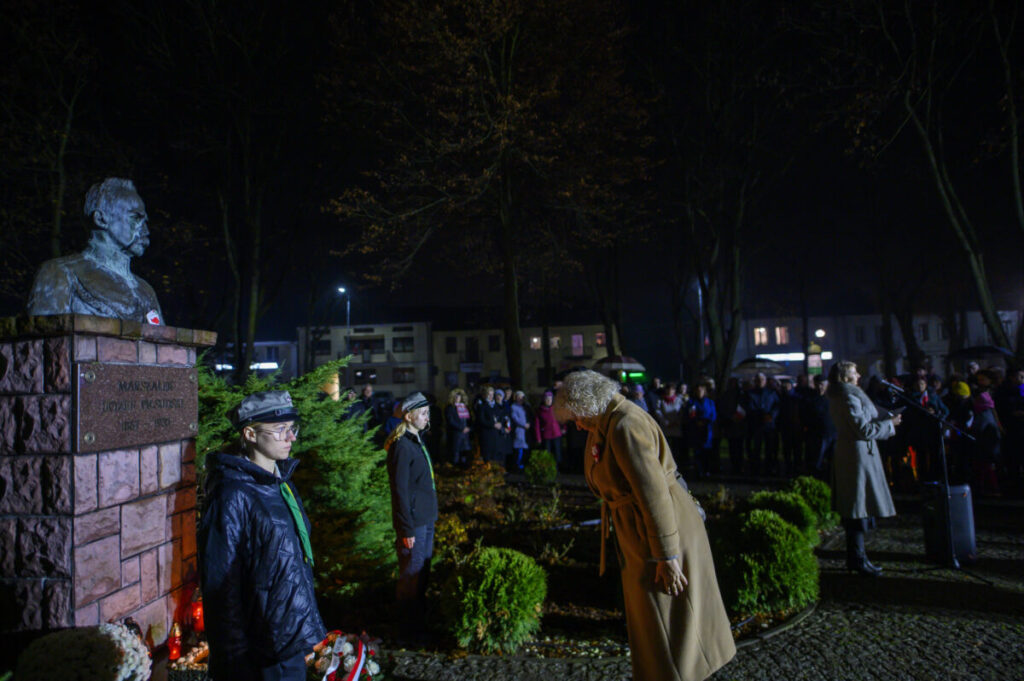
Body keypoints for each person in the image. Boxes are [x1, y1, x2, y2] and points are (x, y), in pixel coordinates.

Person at [553, 371, 734, 681]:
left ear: (587, 404)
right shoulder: (607, 423)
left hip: (663, 534)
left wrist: (667, 555)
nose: (577, 426)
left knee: (672, 625)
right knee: (660, 625)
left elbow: (654, 497)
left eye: (576, 418)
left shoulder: (625, 425)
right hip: (643, 534)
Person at [199, 391, 325, 681]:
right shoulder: (232, 495)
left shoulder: (280, 484)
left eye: (292, 428)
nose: (290, 437)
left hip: (286, 642)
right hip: (260, 654)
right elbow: (221, 586)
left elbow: (291, 563)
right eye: (280, 430)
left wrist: (301, 631)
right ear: (250, 434)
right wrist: (233, 661)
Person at [28, 177, 164, 323]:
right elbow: (44, 337)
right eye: (136, 218)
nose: (146, 230)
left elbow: (164, 343)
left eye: (145, 222)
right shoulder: (59, 273)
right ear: (101, 219)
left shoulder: (146, 291)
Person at [827, 361, 901, 577]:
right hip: (856, 456)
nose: (859, 374)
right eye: (854, 372)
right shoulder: (848, 396)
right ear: (845, 377)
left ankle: (858, 558)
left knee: (857, 508)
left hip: (856, 453)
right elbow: (863, 429)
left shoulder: (844, 394)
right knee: (856, 509)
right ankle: (857, 559)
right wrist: (890, 425)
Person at [385, 392, 439, 642]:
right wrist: (405, 529)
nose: (428, 417)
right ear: (409, 416)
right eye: (424, 413)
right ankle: (406, 630)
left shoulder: (417, 440)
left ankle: (420, 623)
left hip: (426, 518)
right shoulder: (402, 446)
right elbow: (400, 491)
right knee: (411, 575)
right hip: (413, 524)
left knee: (423, 571)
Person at [742, 372, 779, 477]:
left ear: (765, 381)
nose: (760, 382)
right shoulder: (750, 394)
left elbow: (777, 406)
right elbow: (747, 407)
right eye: (758, 380)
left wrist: (771, 415)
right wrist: (759, 415)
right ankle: (755, 470)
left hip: (768, 425)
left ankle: (769, 469)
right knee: (756, 449)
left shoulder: (772, 393)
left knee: (769, 448)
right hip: (755, 425)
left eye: (762, 380)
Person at [686, 383, 717, 478]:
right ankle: (699, 470)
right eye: (698, 391)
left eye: (701, 390)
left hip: (707, 430)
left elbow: (713, 415)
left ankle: (707, 470)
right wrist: (696, 421)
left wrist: (706, 422)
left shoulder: (710, 402)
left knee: (707, 451)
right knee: (697, 451)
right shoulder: (692, 402)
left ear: (704, 392)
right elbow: (690, 415)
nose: (699, 392)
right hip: (696, 429)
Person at [655, 383, 685, 471]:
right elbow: (658, 412)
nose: (669, 391)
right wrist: (666, 422)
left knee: (676, 448)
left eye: (672, 389)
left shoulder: (679, 400)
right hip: (666, 428)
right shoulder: (660, 400)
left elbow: (682, 412)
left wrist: (677, 421)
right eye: (668, 389)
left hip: (676, 428)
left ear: (674, 391)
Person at [533, 390, 564, 467]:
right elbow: (537, 426)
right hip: (546, 435)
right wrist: (538, 438)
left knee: (557, 453)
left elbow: (561, 419)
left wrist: (564, 428)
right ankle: (548, 468)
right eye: (547, 399)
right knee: (547, 453)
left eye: (550, 399)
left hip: (556, 434)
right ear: (544, 400)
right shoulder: (540, 411)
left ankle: (556, 468)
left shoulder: (555, 408)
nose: (548, 401)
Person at [475, 386, 504, 463]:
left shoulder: (496, 406)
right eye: (489, 394)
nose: (491, 396)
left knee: (496, 456)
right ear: (485, 395)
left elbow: (501, 417)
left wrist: (500, 424)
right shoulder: (482, 406)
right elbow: (481, 420)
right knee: (487, 456)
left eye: (492, 394)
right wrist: (492, 424)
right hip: (487, 435)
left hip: (496, 435)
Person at [444, 389, 472, 466]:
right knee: (455, 453)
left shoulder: (465, 407)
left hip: (465, 435)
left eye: (459, 397)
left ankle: (464, 468)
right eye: (456, 397)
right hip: (456, 434)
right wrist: (461, 428)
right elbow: (450, 421)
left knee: (465, 453)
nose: (457, 399)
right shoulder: (450, 408)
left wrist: (469, 428)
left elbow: (469, 419)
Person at [509, 390, 530, 470]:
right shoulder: (514, 407)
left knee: (525, 448)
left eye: (522, 397)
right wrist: (524, 424)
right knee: (519, 448)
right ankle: (518, 465)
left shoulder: (526, 406)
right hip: (519, 430)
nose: (520, 399)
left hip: (526, 430)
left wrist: (529, 424)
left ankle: (524, 464)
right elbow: (515, 418)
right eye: (519, 397)